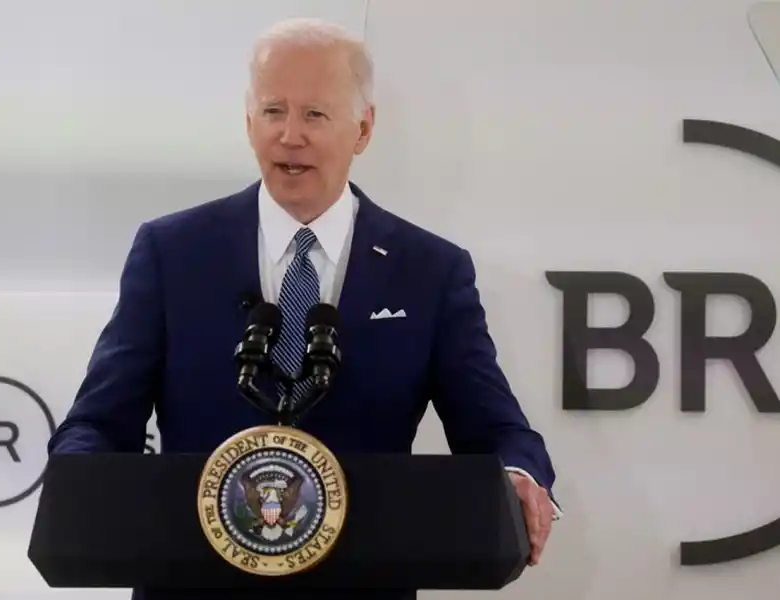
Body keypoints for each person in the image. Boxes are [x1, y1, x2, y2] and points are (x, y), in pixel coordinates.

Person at [48, 16, 561, 600]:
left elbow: (497, 429)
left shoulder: (430, 270)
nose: (290, 135)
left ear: (363, 129)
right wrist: (80, 480)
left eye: (315, 115)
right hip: (191, 583)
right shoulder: (172, 251)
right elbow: (96, 421)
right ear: (248, 123)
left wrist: (519, 476)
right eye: (272, 111)